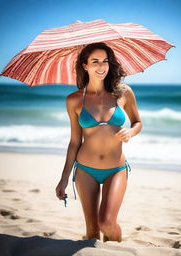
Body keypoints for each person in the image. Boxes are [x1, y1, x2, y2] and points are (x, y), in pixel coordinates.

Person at [55, 42, 142, 242]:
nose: (101, 66)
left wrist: (131, 132)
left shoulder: (123, 93)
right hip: (86, 170)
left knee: (107, 223)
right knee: (93, 232)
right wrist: (64, 178)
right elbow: (75, 142)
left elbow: (138, 122)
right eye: (95, 61)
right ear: (85, 65)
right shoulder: (74, 100)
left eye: (105, 61)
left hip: (116, 169)